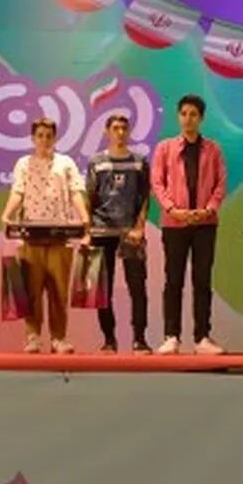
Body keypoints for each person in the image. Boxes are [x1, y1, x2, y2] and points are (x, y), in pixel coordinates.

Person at [1, 117, 90, 354]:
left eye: (49, 135)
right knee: (31, 290)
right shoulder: (24, 163)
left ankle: (59, 338)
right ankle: (33, 336)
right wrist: (7, 214)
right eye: (40, 135)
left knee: (58, 291)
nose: (44, 140)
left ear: (55, 138)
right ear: (33, 138)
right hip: (31, 234)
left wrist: (85, 220)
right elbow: (18, 191)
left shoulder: (65, 163)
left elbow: (75, 192)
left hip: (60, 234)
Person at [150, 94, 227, 355]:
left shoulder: (213, 149)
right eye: (183, 114)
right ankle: (171, 336)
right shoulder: (165, 148)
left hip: (205, 223)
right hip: (174, 223)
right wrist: (173, 210)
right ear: (178, 116)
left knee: (202, 280)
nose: (188, 119)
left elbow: (220, 183)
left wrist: (209, 210)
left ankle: (202, 336)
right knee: (174, 280)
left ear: (201, 118)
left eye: (193, 114)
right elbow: (157, 183)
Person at [85, 114, 152, 354]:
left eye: (124, 128)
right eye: (115, 128)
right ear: (107, 132)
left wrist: (139, 227)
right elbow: (89, 197)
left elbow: (145, 197)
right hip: (101, 230)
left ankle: (139, 340)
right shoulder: (96, 162)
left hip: (130, 232)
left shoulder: (139, 162)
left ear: (129, 131)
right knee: (103, 290)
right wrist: (87, 231)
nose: (120, 132)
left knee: (138, 287)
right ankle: (109, 340)